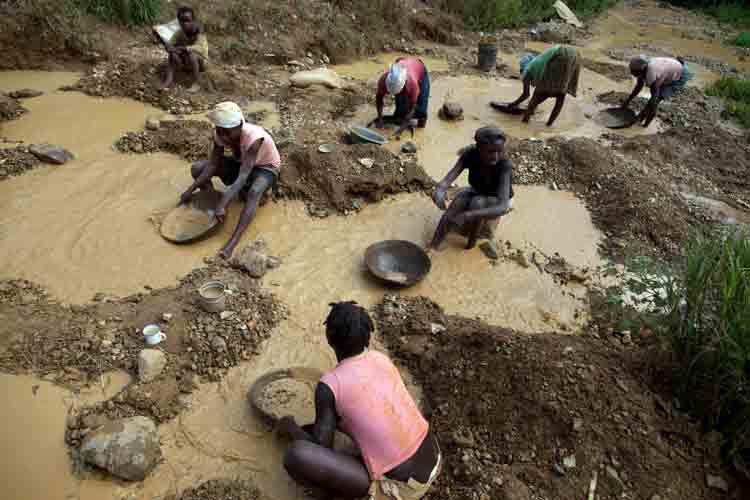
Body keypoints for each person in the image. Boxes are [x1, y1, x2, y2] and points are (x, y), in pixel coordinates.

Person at [279, 302, 442, 500]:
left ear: (329, 338)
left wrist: (291, 428)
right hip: (433, 458)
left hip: (401, 489)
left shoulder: (328, 386)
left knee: (297, 454)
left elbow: (320, 449)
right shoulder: (380, 358)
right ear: (368, 337)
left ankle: (328, 495)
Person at [179, 102, 280, 259]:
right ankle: (211, 203)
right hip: (241, 163)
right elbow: (213, 164)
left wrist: (223, 204)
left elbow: (243, 176)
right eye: (220, 130)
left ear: (239, 125)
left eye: (227, 132)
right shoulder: (220, 134)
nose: (223, 135)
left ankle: (231, 243)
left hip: (265, 168)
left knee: (253, 192)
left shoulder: (254, 138)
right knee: (198, 168)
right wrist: (190, 190)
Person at [430, 126, 513, 250]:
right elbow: (448, 179)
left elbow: (502, 206)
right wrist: (439, 191)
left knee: (477, 203)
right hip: (477, 190)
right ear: (479, 148)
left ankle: (470, 245)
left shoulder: (504, 165)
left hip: (497, 198)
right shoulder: (470, 154)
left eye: (499, 151)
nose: (495, 156)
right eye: (490, 151)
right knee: (457, 203)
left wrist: (468, 215)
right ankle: (433, 246)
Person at [491, 45, 580, 127]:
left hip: (561, 53)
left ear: (522, 68)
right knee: (561, 93)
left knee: (537, 95)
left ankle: (524, 123)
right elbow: (548, 91)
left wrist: (512, 105)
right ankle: (549, 125)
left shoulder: (527, 71)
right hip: (575, 55)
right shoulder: (538, 63)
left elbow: (526, 95)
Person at [622, 55, 692, 127]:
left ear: (641, 70)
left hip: (680, 74)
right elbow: (639, 86)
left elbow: (654, 99)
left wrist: (636, 118)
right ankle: (640, 120)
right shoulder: (643, 69)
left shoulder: (651, 72)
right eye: (631, 70)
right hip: (668, 69)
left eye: (633, 71)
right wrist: (628, 100)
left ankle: (645, 125)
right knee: (653, 99)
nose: (632, 73)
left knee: (655, 102)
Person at [373, 57, 431, 139]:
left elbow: (412, 108)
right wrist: (380, 120)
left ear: (403, 86)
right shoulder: (384, 80)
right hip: (402, 64)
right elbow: (379, 99)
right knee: (400, 111)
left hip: (419, 69)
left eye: (398, 92)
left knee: (421, 110)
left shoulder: (412, 85)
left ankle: (421, 123)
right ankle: (400, 118)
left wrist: (400, 131)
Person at [156, 6, 209, 92]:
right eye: (182, 21)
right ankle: (167, 82)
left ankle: (197, 83)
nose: (184, 23)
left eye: (187, 20)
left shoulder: (199, 31)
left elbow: (200, 48)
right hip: (186, 62)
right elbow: (169, 44)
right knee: (172, 55)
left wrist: (184, 48)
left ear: (193, 20)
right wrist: (171, 49)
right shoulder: (180, 32)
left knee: (192, 54)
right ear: (179, 22)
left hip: (201, 63)